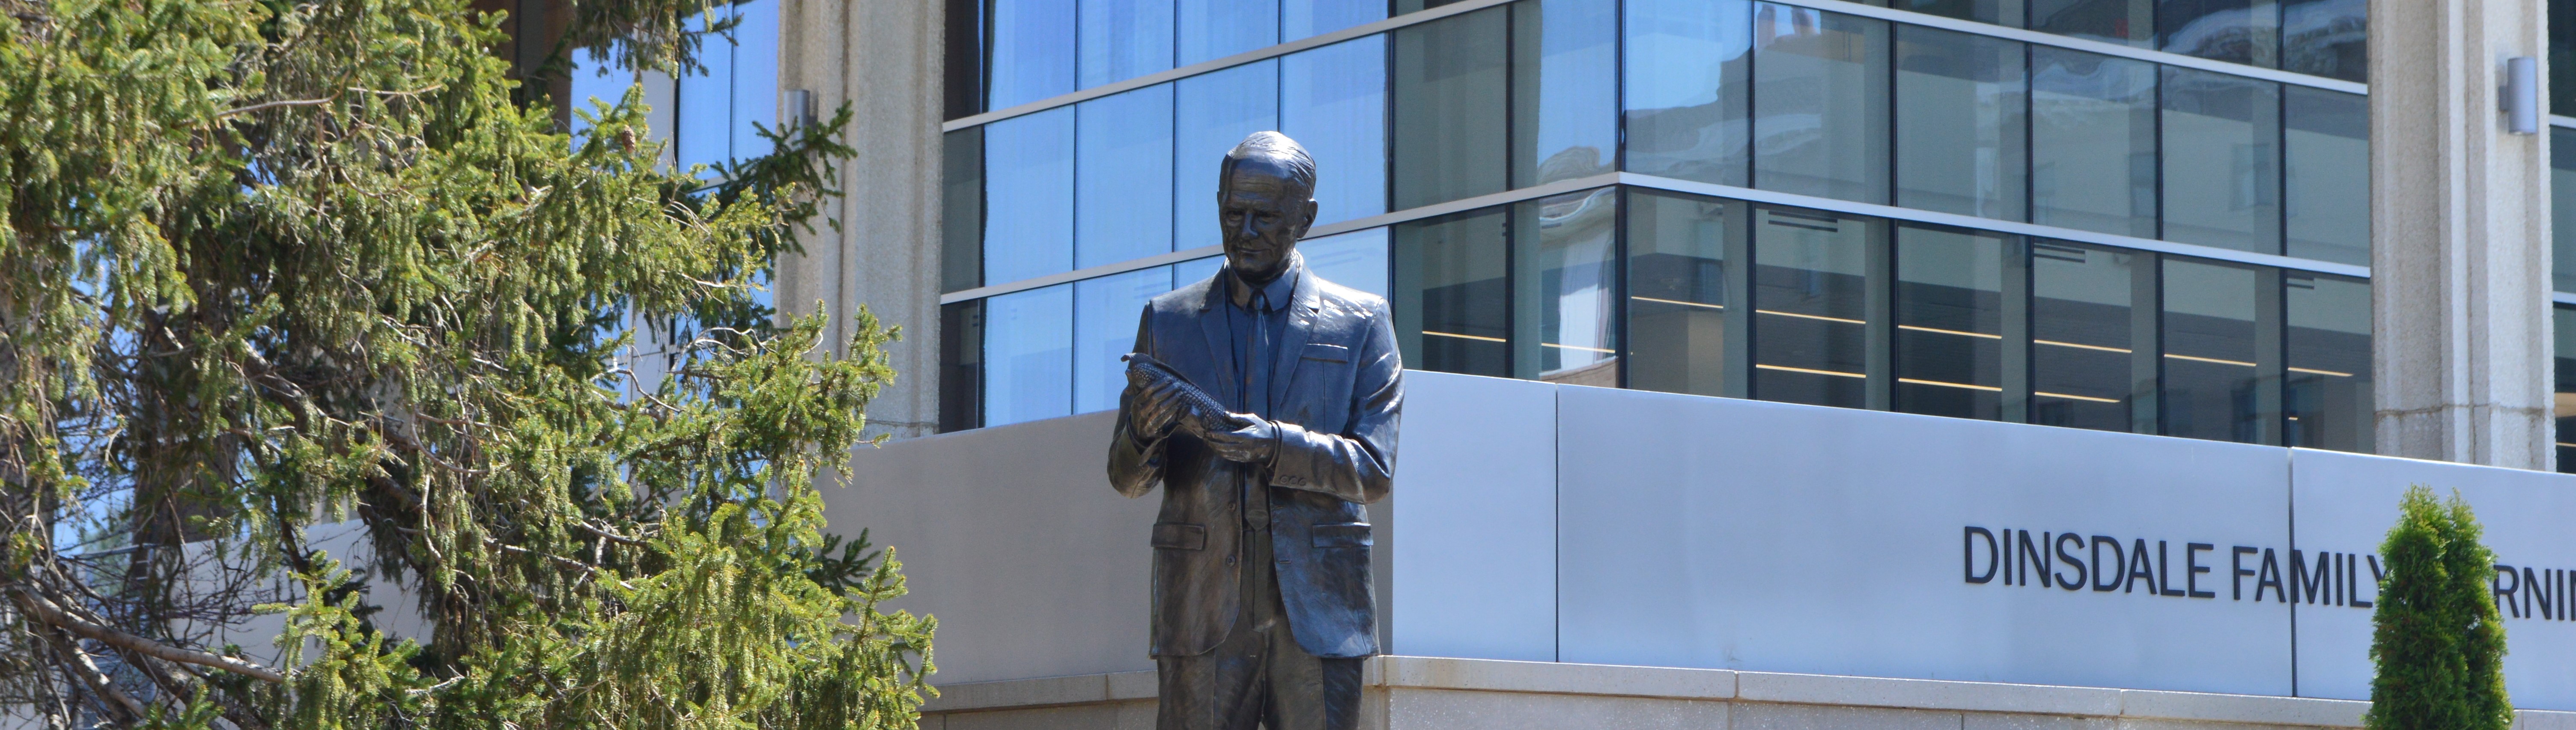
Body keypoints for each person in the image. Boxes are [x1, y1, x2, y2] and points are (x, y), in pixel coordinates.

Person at [1105, 131, 1403, 730]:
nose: (1243, 231)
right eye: (1232, 212)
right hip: (1203, 608)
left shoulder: (1362, 323)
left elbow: (1373, 467)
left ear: (1306, 218)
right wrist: (1142, 432)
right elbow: (1126, 478)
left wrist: (1275, 445)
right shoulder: (1169, 322)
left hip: (1318, 608)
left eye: (1264, 217)